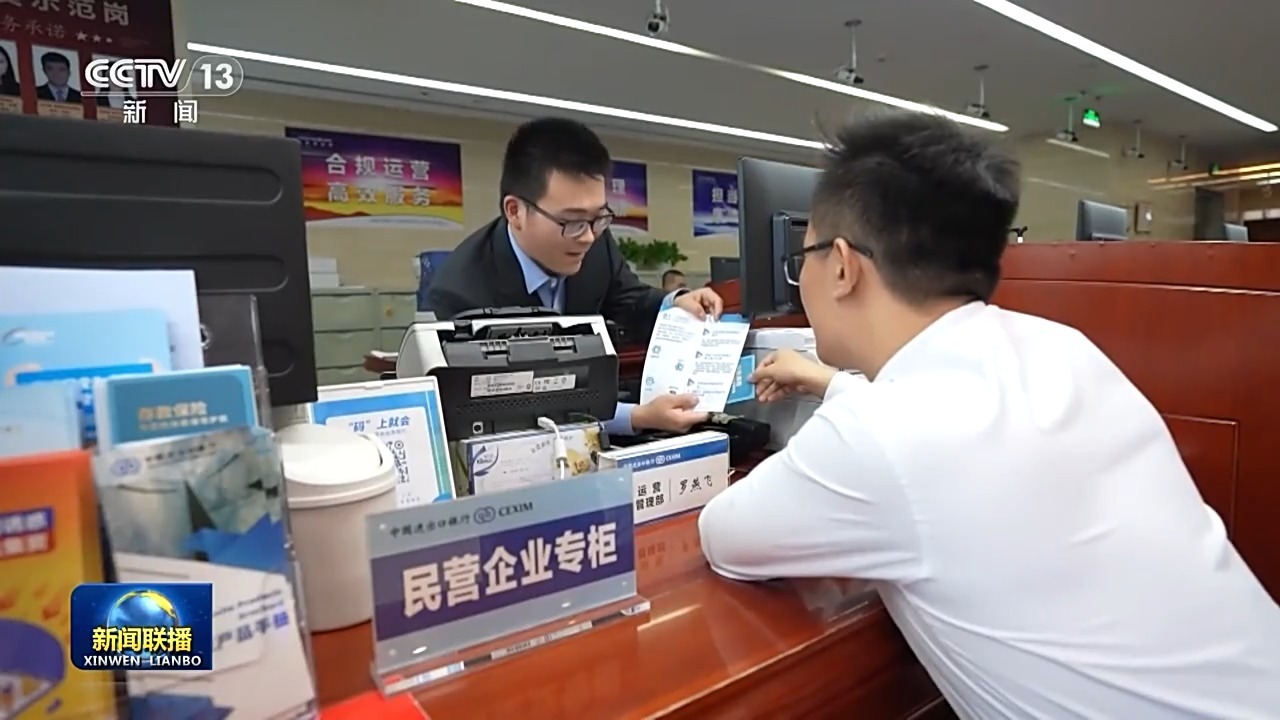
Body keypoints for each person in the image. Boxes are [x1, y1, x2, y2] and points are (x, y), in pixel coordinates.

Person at [698, 112, 1280, 718]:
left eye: (805, 257)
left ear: (843, 267)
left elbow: (727, 535)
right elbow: (942, 436)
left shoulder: (881, 437)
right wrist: (833, 385)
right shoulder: (1065, 349)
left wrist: (841, 403)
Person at [425, 117, 724, 436]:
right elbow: (502, 405)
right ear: (515, 211)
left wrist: (677, 303)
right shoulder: (462, 290)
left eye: (599, 218)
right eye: (572, 221)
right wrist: (635, 417)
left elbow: (629, 299)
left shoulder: (595, 243)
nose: (587, 237)